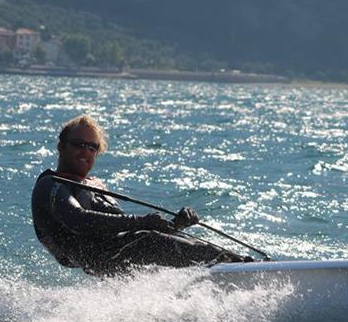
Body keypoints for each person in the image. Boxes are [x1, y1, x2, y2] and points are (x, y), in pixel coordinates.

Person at [31, 115, 251, 275]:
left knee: (174, 240)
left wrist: (175, 225)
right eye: (79, 144)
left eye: (92, 147)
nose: (86, 151)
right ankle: (241, 268)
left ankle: (233, 266)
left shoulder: (93, 185)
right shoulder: (50, 184)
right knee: (151, 240)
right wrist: (142, 222)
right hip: (101, 257)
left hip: (123, 254)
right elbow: (77, 220)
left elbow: (120, 226)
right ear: (61, 147)